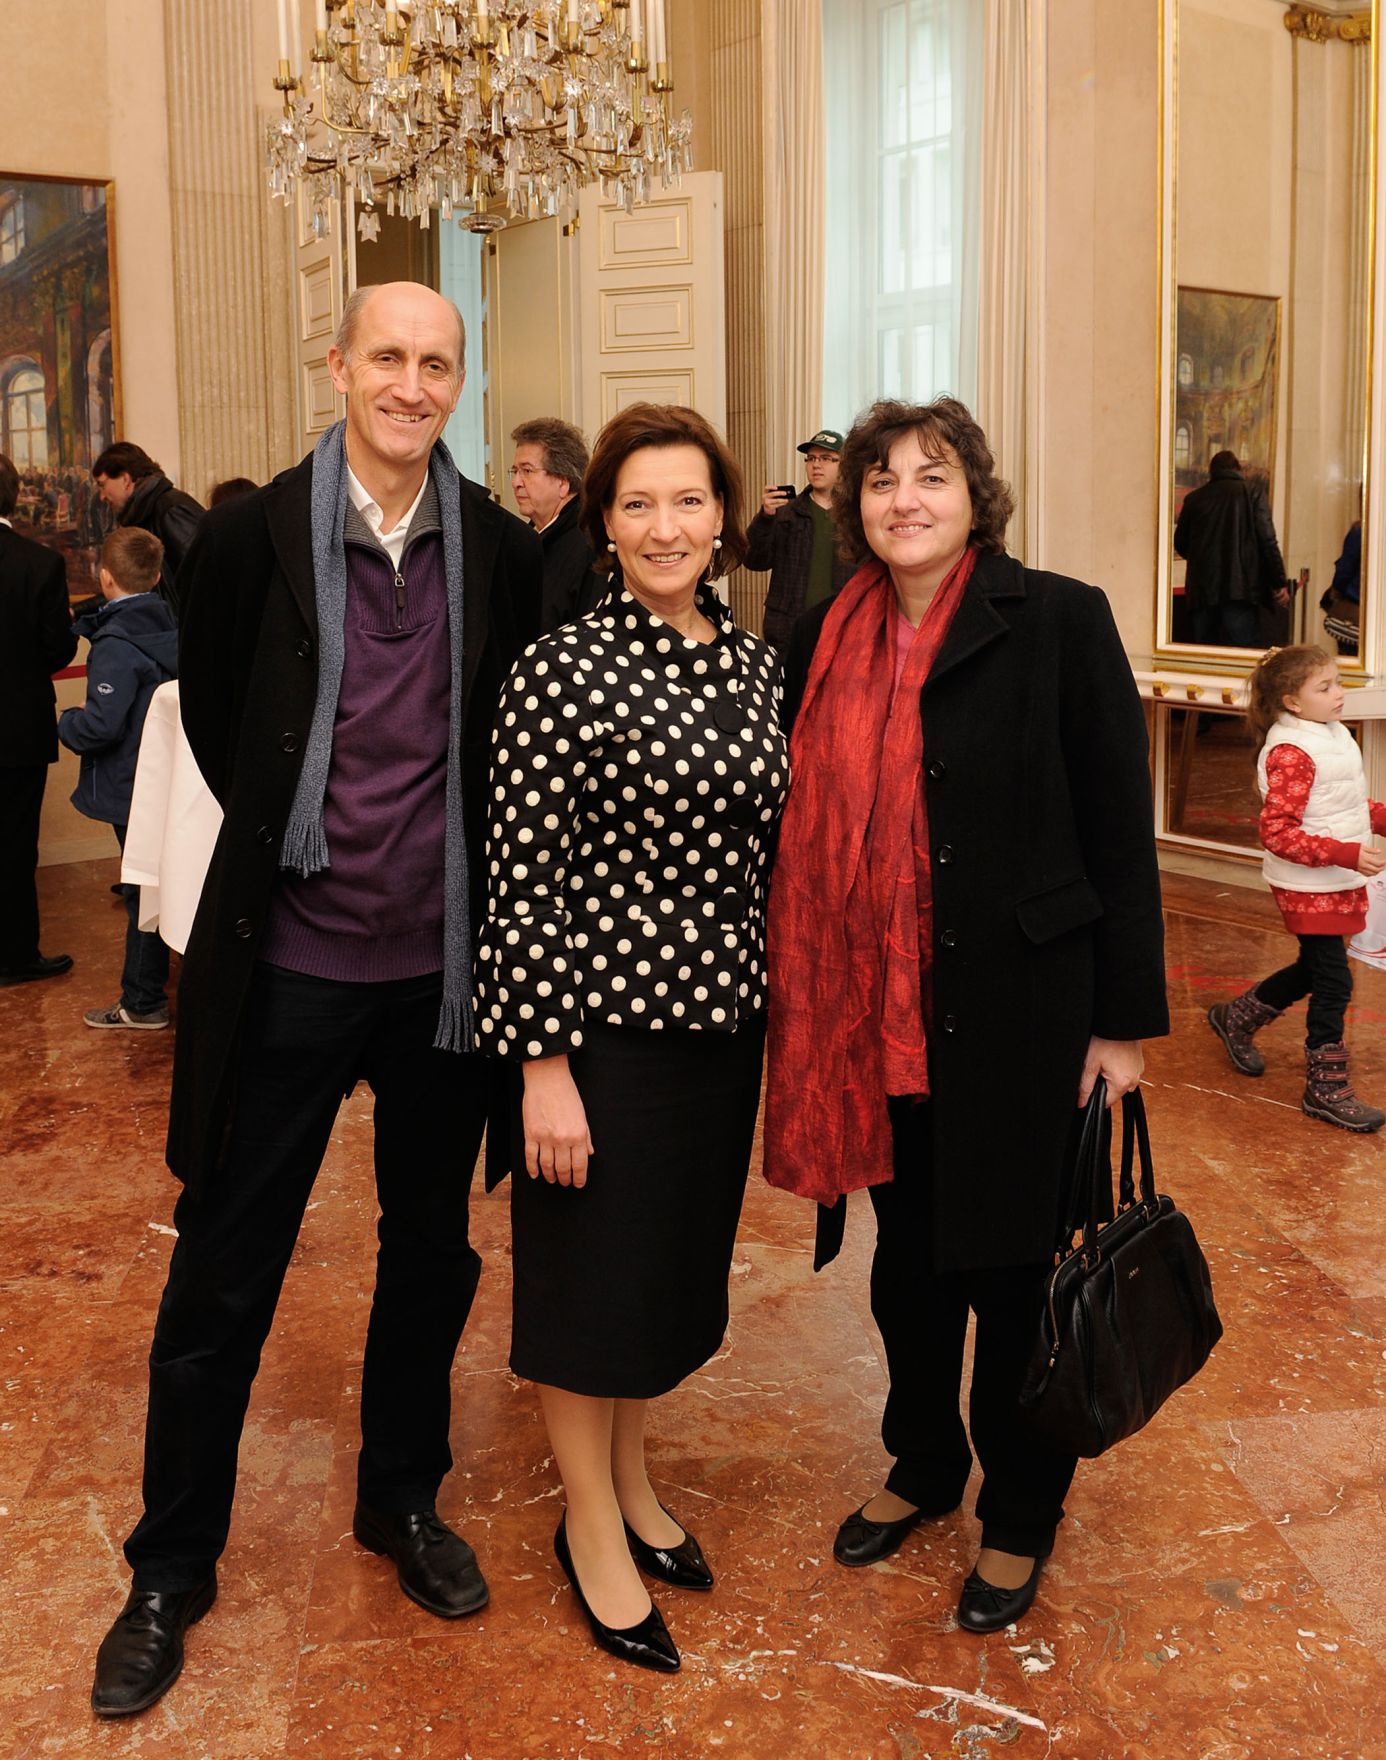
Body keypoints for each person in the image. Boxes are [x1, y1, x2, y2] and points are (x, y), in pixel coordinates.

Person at [90, 281, 542, 1720]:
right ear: (338, 366)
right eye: (387, 357)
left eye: (437, 364)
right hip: (287, 966)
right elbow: (224, 724)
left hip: (439, 983)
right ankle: (169, 1567)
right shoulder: (252, 535)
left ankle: (397, 1502)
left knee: (429, 1259)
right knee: (225, 1268)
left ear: (457, 384)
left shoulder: (499, 546)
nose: (411, 384)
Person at [763, 397, 1168, 1634]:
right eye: (880, 481)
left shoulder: (1058, 617)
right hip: (871, 1013)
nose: (902, 499)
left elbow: (1117, 825)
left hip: (1023, 1013)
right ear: (855, 507)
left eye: (929, 477)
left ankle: (1022, 1511)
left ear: (974, 494)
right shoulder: (826, 632)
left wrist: (1122, 1023)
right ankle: (924, 1464)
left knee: (1013, 1277)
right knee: (911, 1270)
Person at [475, 402, 787, 1674]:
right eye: (640, 504)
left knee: (662, 1276)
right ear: (603, 523)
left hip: (721, 1034)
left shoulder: (756, 663)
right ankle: (590, 1521)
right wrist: (542, 1068)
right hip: (596, 1042)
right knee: (585, 1289)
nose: (668, 526)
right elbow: (520, 876)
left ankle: (638, 1474)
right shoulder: (563, 666)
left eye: (690, 501)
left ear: (724, 517)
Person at [1207, 645, 1385, 1131]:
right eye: (1325, 687)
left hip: (1335, 876)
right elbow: (1279, 832)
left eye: (1338, 683)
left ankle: (1237, 1016)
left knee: (1315, 965)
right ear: (1292, 701)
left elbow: (1341, 804)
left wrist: (1381, 820)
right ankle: (1325, 1088)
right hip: (1309, 883)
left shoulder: (1331, 735)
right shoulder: (1291, 752)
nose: (1339, 694)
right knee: (1334, 979)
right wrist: (1345, 852)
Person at [58, 529, 179, 1029]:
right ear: (155, 575)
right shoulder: (169, 623)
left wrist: (66, 722)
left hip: (131, 786)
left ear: (104, 577)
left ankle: (142, 1000)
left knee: (140, 892)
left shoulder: (115, 645)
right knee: (160, 885)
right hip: (164, 777)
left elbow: (102, 726)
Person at [0, 450, 77, 988]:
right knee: (14, 842)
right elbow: (57, 649)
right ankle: (17, 954)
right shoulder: (39, 563)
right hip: (16, 727)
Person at [745, 426, 853, 649]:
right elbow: (754, 560)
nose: (816, 465)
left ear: (843, 465)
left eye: (826, 458)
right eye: (811, 458)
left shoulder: (855, 516)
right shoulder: (786, 512)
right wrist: (765, 518)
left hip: (842, 630)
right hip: (789, 630)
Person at [1173, 449, 1289, 648]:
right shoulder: (1252, 493)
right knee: (1240, 660)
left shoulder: (1194, 499)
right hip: (1241, 591)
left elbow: (1181, 544)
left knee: (1204, 658)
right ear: (1238, 469)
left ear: (1211, 472)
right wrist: (1278, 582)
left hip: (1202, 592)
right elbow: (1267, 541)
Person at [91, 441, 205, 616]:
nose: (102, 496)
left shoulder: (170, 509)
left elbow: (204, 576)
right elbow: (129, 586)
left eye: (102, 484)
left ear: (125, 479)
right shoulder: (145, 512)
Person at [509, 416, 600, 632]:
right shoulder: (521, 540)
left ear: (563, 482)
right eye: (515, 471)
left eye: (527, 471)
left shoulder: (590, 545)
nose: (515, 483)